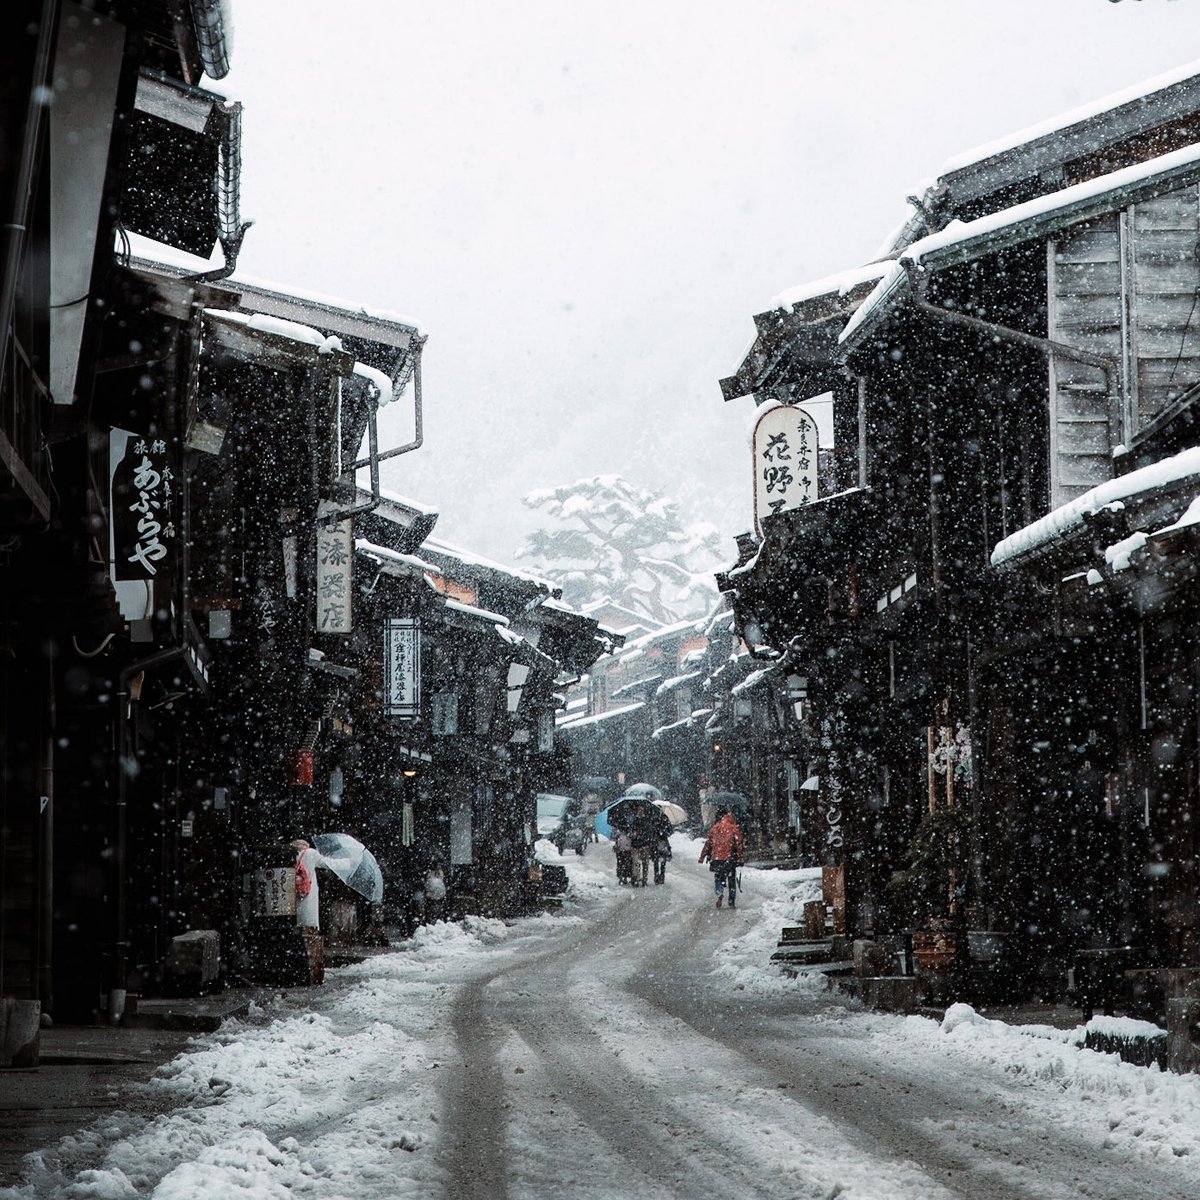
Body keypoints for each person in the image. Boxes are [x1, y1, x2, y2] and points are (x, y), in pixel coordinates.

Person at [699, 806, 744, 909]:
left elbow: (708, 844)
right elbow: (739, 844)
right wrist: (740, 857)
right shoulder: (734, 828)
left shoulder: (715, 828)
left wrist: (702, 857)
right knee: (731, 880)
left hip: (717, 858)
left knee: (718, 877)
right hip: (730, 858)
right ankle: (731, 902)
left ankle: (719, 892)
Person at [629, 802, 658, 887]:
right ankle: (637, 878)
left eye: (642, 810)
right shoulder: (634, 820)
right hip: (636, 845)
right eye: (639, 810)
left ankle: (644, 879)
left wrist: (648, 841)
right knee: (636, 863)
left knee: (645, 863)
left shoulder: (647, 821)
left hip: (645, 845)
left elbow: (649, 832)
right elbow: (631, 832)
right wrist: (633, 834)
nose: (640, 811)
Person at [650, 807, 673, 884]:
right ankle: (657, 876)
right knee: (656, 860)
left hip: (663, 842)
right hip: (656, 842)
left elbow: (670, 830)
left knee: (662, 860)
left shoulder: (664, 819)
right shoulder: (654, 818)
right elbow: (651, 829)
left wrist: (663, 831)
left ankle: (661, 876)